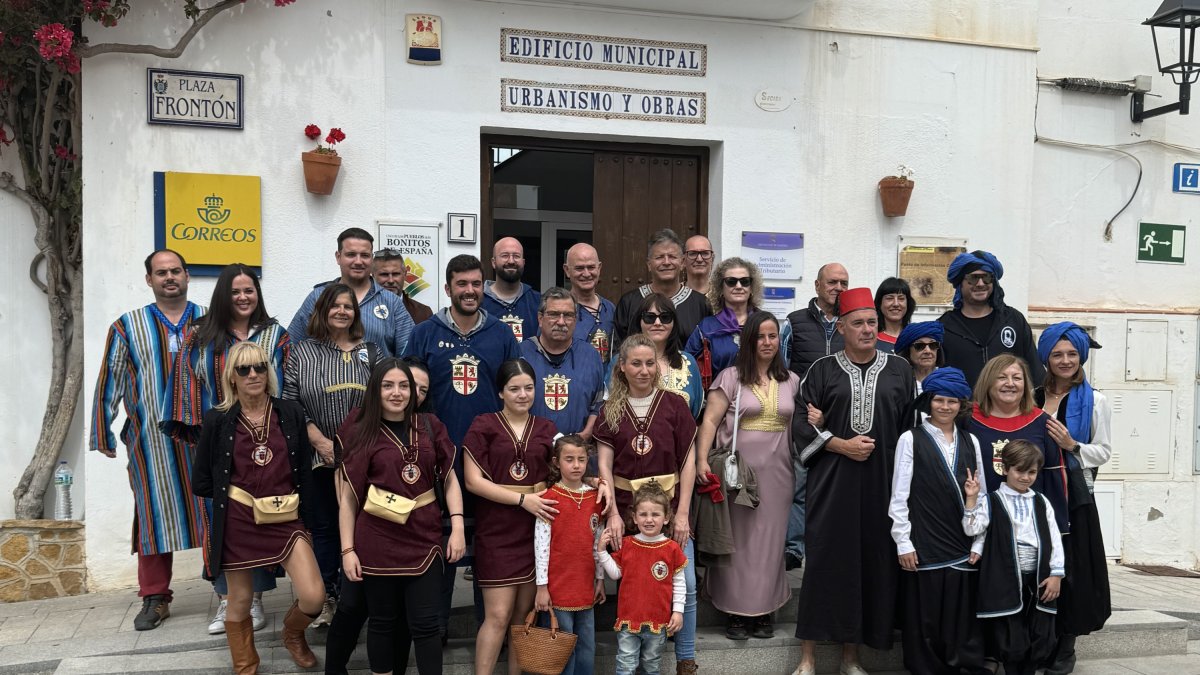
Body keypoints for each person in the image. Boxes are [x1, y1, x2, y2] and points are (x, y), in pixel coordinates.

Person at [789, 287, 915, 675]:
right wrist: (841, 445)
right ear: (840, 327)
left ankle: (851, 657)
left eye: (872, 323)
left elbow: (909, 431)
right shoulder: (822, 370)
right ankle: (807, 657)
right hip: (833, 482)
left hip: (882, 484)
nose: (866, 330)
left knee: (868, 565)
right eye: (857, 323)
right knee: (826, 560)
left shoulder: (900, 369)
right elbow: (799, 424)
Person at [160, 262, 289, 635]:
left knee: (261, 517)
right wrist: (201, 439)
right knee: (220, 522)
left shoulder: (275, 336)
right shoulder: (200, 336)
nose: (243, 297)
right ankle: (227, 601)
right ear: (223, 296)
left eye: (249, 290)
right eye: (235, 291)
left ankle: (257, 599)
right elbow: (185, 385)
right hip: (219, 444)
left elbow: (286, 384)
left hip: (266, 443)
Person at [403, 254, 520, 640]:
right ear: (448, 287)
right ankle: (436, 629)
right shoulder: (423, 334)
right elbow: (409, 396)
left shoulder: (502, 336)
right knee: (440, 544)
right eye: (461, 284)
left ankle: (492, 628)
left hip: (489, 459)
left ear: (483, 287)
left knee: (487, 542)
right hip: (437, 456)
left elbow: (514, 394)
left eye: (475, 284)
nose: (469, 291)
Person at [90, 249, 208, 631]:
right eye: (161, 273)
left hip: (207, 436)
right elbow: (111, 377)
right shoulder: (128, 326)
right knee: (153, 513)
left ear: (187, 276)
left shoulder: (210, 320)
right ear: (149, 280)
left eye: (176, 271)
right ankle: (155, 596)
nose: (169, 277)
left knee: (215, 507)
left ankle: (227, 589)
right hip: (151, 440)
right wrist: (102, 429)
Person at [191, 341, 325, 674]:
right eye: (244, 369)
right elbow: (202, 481)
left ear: (269, 372)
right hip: (239, 520)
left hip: (286, 517)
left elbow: (305, 472)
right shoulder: (217, 420)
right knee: (238, 602)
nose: (253, 374)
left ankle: (292, 635)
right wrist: (239, 495)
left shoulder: (289, 412)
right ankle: (246, 665)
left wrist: (307, 517)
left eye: (260, 367)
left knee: (314, 596)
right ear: (231, 378)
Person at [337, 358, 465, 675]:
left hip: (424, 539)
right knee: (381, 622)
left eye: (404, 385)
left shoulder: (430, 426)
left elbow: (449, 479)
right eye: (388, 385)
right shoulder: (362, 431)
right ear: (375, 390)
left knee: (425, 625)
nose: (397, 393)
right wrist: (347, 550)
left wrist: (458, 526)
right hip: (376, 541)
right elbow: (349, 497)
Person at [595, 334, 699, 675]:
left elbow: (687, 462)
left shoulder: (675, 406)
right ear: (621, 367)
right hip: (627, 509)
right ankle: (631, 657)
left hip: (667, 509)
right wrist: (611, 514)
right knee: (634, 581)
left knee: (688, 583)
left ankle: (684, 657)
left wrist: (682, 514)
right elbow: (605, 466)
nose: (644, 370)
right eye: (636, 363)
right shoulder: (610, 409)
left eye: (650, 363)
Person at [694, 312, 799, 640]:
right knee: (736, 542)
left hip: (778, 475)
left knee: (769, 544)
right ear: (749, 341)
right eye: (760, 337)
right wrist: (701, 462)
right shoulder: (730, 377)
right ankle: (734, 613)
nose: (767, 343)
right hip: (736, 474)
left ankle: (764, 611)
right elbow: (709, 421)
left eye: (772, 336)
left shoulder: (792, 381)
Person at [281, 283, 375, 628]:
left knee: (362, 526)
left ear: (356, 313)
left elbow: (382, 402)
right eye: (334, 306)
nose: (341, 311)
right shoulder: (302, 352)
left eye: (348, 306)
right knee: (323, 527)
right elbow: (289, 402)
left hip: (362, 457)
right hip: (317, 457)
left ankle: (360, 595)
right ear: (321, 311)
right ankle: (327, 597)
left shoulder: (371, 351)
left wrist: (357, 446)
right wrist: (320, 440)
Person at [463, 359, 559, 675]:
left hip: (534, 533)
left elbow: (560, 476)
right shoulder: (484, 425)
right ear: (501, 392)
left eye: (529, 388)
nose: (522, 395)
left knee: (522, 619)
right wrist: (522, 500)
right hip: (497, 530)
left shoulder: (547, 429)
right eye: (514, 389)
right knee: (498, 616)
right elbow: (473, 481)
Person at [889, 367, 986, 675]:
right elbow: (898, 496)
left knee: (960, 618)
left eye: (953, 401)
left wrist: (980, 540)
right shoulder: (910, 439)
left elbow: (981, 494)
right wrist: (903, 542)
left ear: (962, 405)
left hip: (962, 542)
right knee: (925, 617)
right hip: (924, 542)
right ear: (928, 401)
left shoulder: (972, 441)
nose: (945, 407)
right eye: (939, 400)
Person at [1036, 322, 1113, 674]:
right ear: (1046, 357)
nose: (1065, 361)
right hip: (1035, 495)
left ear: (1080, 356)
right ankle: (1040, 642)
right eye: (1057, 354)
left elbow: (1104, 452)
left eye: (1071, 354)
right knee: (1038, 568)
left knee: (1072, 571)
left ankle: (1065, 648)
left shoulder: (1095, 400)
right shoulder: (1033, 396)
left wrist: (1073, 446)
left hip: (1074, 496)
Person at [965, 440, 1065, 675]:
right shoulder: (992, 500)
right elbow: (972, 529)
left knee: (1041, 632)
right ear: (1006, 468)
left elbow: (1054, 538)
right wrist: (971, 498)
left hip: (1040, 575)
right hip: (1006, 575)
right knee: (1011, 632)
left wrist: (1057, 574)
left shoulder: (1041, 501)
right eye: (1020, 470)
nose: (1025, 477)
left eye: (1031, 472)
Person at [783, 261, 848, 571]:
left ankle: (827, 547)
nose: (838, 288)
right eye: (832, 282)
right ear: (818, 286)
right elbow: (781, 370)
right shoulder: (795, 322)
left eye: (844, 283)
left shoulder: (851, 323)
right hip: (803, 418)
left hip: (840, 418)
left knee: (834, 490)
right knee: (799, 485)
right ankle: (794, 549)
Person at [967, 354, 1069, 536]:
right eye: (1001, 377)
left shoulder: (1042, 422)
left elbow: (1054, 477)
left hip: (1028, 529)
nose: (1010, 383)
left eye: (1017, 378)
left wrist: (1058, 529)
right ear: (988, 382)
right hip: (979, 526)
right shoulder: (967, 420)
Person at [533, 434, 607, 675]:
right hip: (558, 586)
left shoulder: (595, 498)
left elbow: (598, 544)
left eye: (581, 459)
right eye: (569, 459)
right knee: (563, 647)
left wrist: (600, 579)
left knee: (586, 645)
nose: (576, 465)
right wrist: (542, 587)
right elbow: (541, 545)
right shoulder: (549, 499)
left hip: (585, 585)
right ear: (556, 462)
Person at [597, 482, 687, 675]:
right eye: (643, 514)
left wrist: (678, 611)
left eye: (655, 514)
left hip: (658, 620)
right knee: (626, 664)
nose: (649, 519)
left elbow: (679, 584)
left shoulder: (672, 548)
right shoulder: (627, 545)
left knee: (651, 664)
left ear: (666, 518)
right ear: (634, 518)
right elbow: (615, 574)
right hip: (629, 619)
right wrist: (601, 551)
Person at [288, 227, 415, 357]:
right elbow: (291, 348)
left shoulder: (391, 302)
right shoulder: (317, 297)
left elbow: (409, 354)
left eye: (365, 255)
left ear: (371, 259)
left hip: (375, 377)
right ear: (338, 257)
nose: (358, 261)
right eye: (351, 255)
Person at [938, 250, 1043, 387]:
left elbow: (1034, 370)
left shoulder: (1013, 320)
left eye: (987, 277)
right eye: (973, 278)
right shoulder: (945, 327)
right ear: (960, 283)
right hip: (964, 407)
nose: (981, 284)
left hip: (1010, 406)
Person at [685, 257, 793, 385]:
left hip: (760, 401)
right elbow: (687, 367)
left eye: (745, 281)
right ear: (721, 288)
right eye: (731, 281)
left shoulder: (765, 324)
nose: (738, 286)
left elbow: (778, 366)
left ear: (751, 288)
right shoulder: (707, 327)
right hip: (719, 399)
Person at [520, 287, 605, 438]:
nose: (561, 322)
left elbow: (599, 403)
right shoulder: (521, 354)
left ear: (575, 319)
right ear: (540, 318)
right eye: (553, 314)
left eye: (568, 315)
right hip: (531, 450)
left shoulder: (590, 356)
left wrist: (587, 433)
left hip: (577, 453)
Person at [614, 229, 712, 350]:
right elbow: (618, 351)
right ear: (649, 264)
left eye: (672, 256)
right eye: (659, 257)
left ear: (682, 262)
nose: (666, 262)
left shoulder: (700, 304)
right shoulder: (629, 302)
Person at [637, 294, 703, 418]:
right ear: (639, 322)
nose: (657, 323)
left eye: (665, 317)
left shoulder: (688, 362)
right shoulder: (621, 361)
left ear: (674, 323)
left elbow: (695, 413)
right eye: (649, 317)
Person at [564, 243, 616, 369]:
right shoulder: (559, 311)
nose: (586, 274)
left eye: (591, 267)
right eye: (579, 268)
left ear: (599, 268)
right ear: (567, 270)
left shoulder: (610, 309)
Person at [483, 236, 541, 342]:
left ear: (523, 262)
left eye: (516, 256)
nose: (511, 261)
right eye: (505, 255)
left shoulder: (538, 302)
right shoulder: (479, 302)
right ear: (493, 262)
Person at [372, 247, 434, 325]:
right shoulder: (360, 310)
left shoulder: (423, 313)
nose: (391, 280)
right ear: (373, 276)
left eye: (396, 274)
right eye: (384, 274)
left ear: (405, 274)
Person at [894, 321, 945, 393]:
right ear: (908, 351)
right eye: (920, 346)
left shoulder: (948, 380)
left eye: (933, 345)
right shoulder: (897, 382)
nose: (928, 351)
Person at [874, 277, 915, 352]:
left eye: (901, 298)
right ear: (879, 304)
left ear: (908, 304)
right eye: (889, 298)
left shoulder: (915, 338)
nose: (896, 304)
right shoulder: (871, 340)